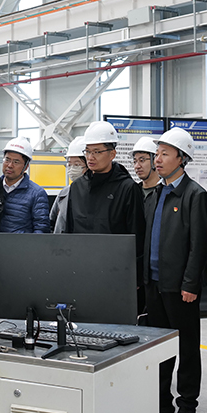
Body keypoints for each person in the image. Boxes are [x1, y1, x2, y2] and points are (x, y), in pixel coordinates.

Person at [142, 126, 207, 413]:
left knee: (187, 346)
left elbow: (198, 244)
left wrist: (190, 284)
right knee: (159, 344)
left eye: (165, 154)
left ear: (181, 158)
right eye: (157, 154)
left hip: (180, 286)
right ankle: (160, 398)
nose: (157, 159)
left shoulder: (195, 195)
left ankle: (187, 403)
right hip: (154, 283)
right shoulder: (156, 193)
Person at [64, 121, 145, 313]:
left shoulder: (127, 188)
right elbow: (69, 231)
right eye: (87, 151)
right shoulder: (77, 188)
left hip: (115, 276)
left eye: (97, 152)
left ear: (112, 154)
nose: (90, 157)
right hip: (81, 273)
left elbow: (137, 236)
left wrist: (135, 277)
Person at [0, 137, 50, 234]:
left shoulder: (37, 194)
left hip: (21, 243)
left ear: (26, 166)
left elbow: (41, 228)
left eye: (16, 162)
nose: (10, 165)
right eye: (7, 160)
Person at [50, 138, 86, 233]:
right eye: (69, 165)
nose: (72, 169)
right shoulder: (64, 193)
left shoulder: (97, 193)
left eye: (77, 165)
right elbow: (52, 221)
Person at [132, 135, 163, 226]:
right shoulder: (133, 191)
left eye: (142, 160)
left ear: (154, 161)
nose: (137, 166)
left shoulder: (165, 192)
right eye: (135, 161)